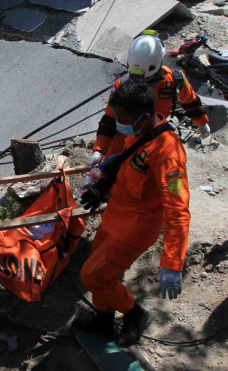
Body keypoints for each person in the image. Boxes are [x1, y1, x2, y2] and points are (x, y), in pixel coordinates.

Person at [76, 79, 191, 347]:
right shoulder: (137, 134)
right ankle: (104, 321)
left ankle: (135, 315)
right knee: (102, 277)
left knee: (92, 276)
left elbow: (178, 211)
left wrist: (172, 262)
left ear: (144, 116)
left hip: (135, 230)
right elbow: (123, 166)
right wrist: (101, 182)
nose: (119, 125)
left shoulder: (168, 154)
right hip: (115, 216)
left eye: (123, 119)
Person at [88, 31, 210, 167]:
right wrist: (99, 151)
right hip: (122, 138)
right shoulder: (122, 84)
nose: (141, 82)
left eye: (146, 79)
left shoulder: (174, 79)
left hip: (154, 137)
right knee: (112, 170)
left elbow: (190, 101)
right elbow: (109, 120)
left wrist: (202, 123)